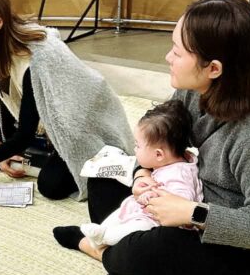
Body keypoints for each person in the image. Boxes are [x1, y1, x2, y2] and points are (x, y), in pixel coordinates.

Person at [79, 0, 250, 275]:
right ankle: (138, 269)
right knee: (103, 176)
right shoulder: (195, 89)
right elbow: (160, 141)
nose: (168, 57)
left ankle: (110, 255)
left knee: (150, 253)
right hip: (194, 198)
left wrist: (192, 213)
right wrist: (142, 175)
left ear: (214, 68)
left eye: (177, 52)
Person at [0, 0, 132, 200]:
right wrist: (0, 143)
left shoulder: (37, 60)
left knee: (51, 185)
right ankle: (37, 157)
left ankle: (50, 158)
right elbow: (6, 110)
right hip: (43, 127)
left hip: (85, 130)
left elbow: (25, 134)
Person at [60, 100, 202, 259]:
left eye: (137, 146)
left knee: (138, 227)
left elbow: (182, 201)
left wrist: (152, 196)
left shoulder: (180, 174)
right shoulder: (172, 159)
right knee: (119, 211)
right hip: (141, 207)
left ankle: (103, 242)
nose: (135, 149)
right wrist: (141, 176)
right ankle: (100, 235)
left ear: (158, 154)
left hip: (157, 221)